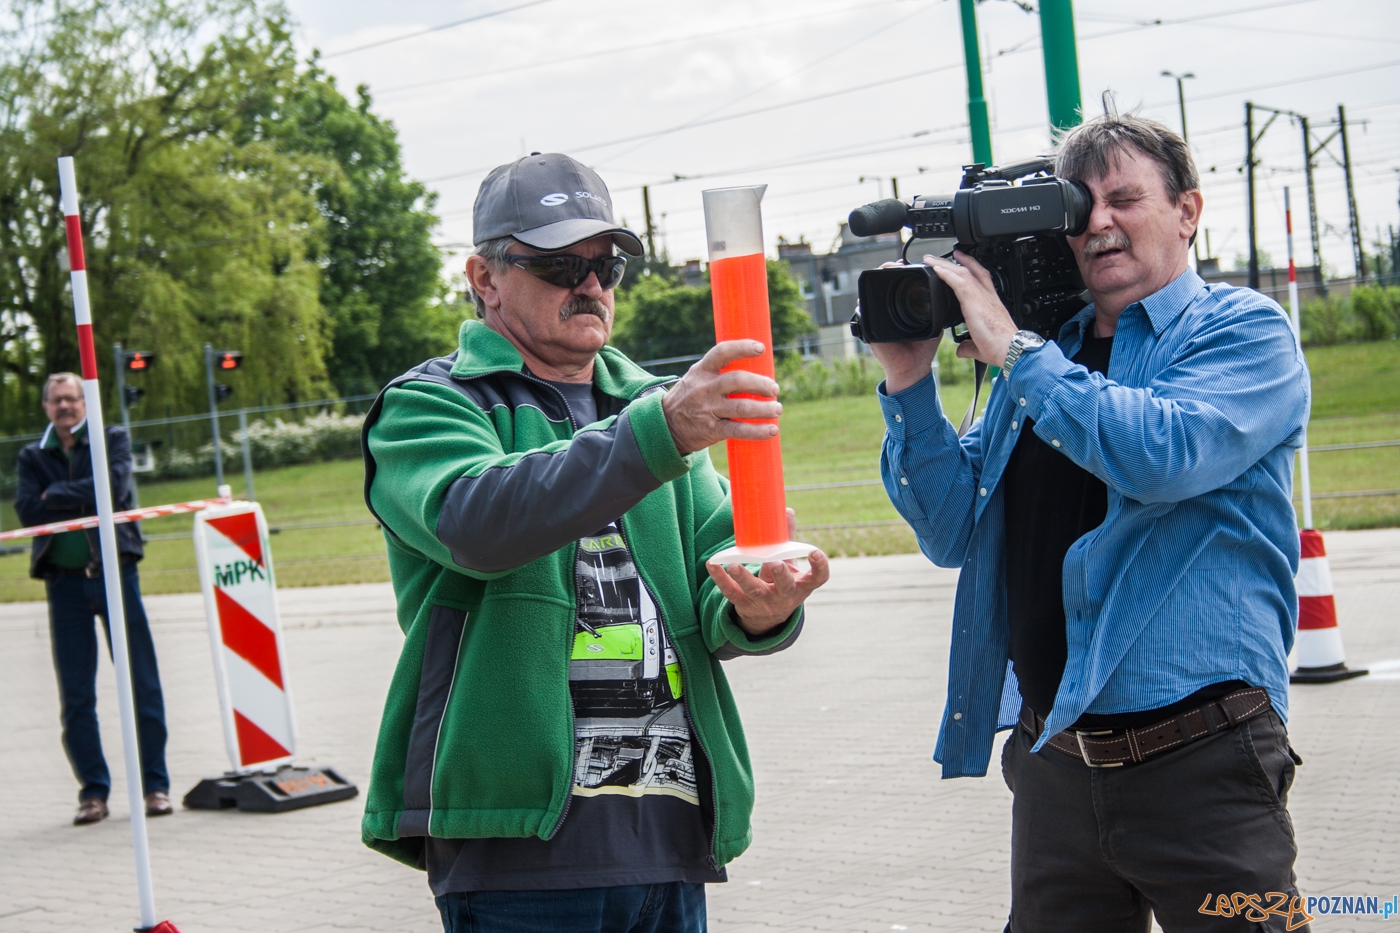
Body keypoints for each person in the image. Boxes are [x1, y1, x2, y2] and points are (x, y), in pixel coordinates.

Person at [359, 152, 830, 933]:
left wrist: (762, 603)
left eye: (605, 264)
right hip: (517, 855)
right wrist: (661, 430)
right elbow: (476, 521)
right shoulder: (428, 406)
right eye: (556, 264)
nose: (590, 284)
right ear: (484, 277)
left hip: (668, 837)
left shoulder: (649, 404)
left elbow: (720, 568)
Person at [870, 112, 1311, 931]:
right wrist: (909, 386)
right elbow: (949, 531)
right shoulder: (1044, 359)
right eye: (1082, 208)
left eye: (1124, 199)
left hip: (1206, 762)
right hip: (1057, 769)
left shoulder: (1244, 331)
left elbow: (1161, 453)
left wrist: (1014, 351)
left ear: (1187, 211)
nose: (1099, 222)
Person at [15, 373, 172, 825]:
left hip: (115, 576)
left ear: (84, 402)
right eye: (56, 400)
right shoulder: (33, 455)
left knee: (142, 683)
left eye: (71, 398)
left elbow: (115, 489)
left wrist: (57, 494)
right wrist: (77, 495)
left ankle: (156, 786)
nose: (64, 406)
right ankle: (93, 792)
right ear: (46, 407)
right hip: (63, 585)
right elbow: (27, 508)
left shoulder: (110, 439)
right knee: (76, 694)